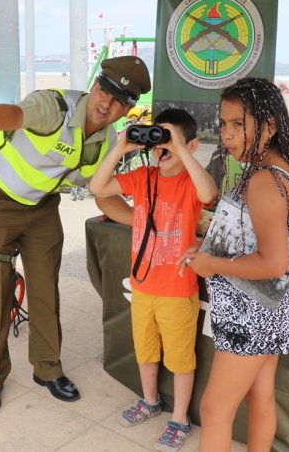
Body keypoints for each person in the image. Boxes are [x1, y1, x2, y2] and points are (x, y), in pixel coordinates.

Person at [0, 55, 151, 416]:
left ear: (127, 109)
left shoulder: (109, 143)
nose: (106, 104)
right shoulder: (55, 106)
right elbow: (12, 114)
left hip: (42, 208)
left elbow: (105, 197)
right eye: (104, 91)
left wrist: (146, 223)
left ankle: (48, 369)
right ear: (95, 85)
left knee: (47, 292)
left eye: (118, 101)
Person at [182, 78, 289, 451]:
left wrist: (212, 265)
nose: (226, 134)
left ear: (269, 126)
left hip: (252, 315)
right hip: (272, 309)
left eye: (238, 124)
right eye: (222, 123)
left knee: (213, 410)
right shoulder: (279, 167)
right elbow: (256, 238)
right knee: (260, 397)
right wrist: (208, 249)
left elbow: (273, 262)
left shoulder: (263, 181)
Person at [90, 109, 217, 451]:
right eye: (158, 140)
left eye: (170, 141)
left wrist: (181, 149)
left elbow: (209, 193)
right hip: (143, 287)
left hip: (177, 291)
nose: (162, 149)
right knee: (145, 352)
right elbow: (97, 186)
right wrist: (119, 149)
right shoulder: (143, 176)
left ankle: (179, 418)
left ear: (190, 144)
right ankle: (149, 401)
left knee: (179, 359)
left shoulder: (191, 183)